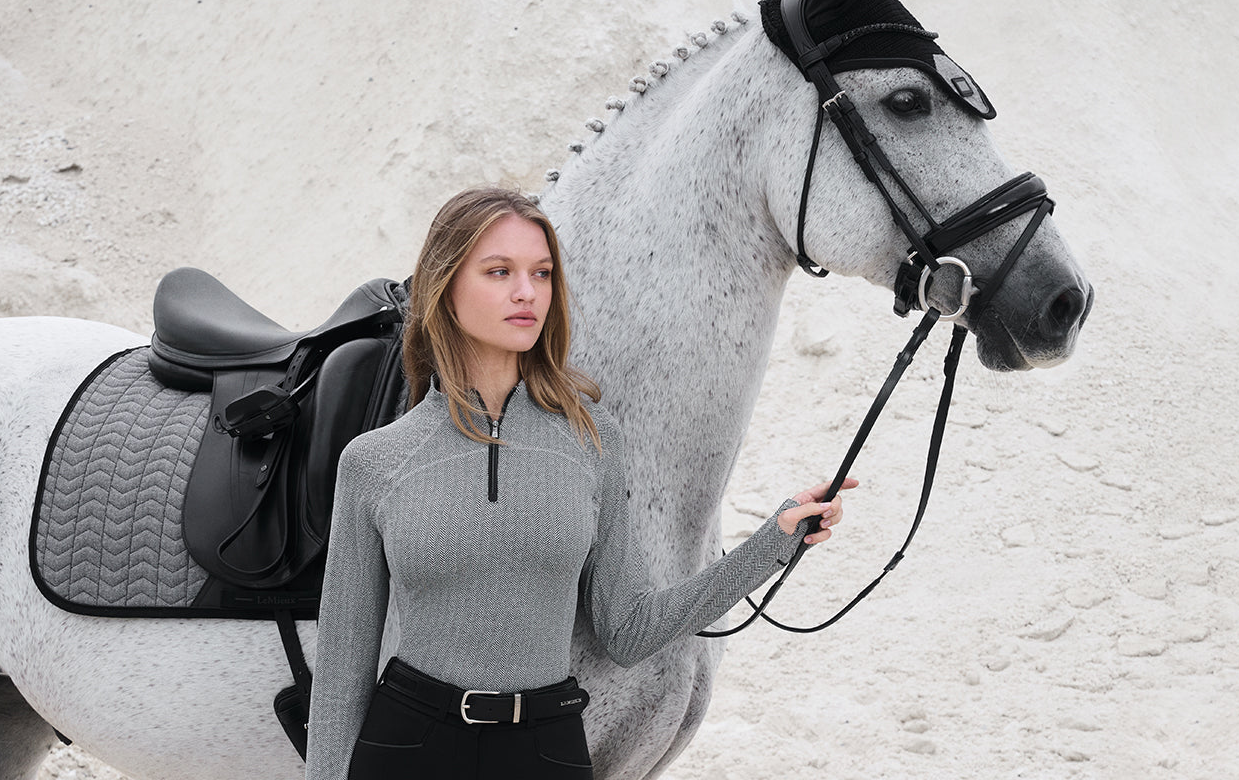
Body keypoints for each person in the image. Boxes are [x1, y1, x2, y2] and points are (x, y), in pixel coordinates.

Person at [304, 186, 851, 780]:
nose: (526, 292)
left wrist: (773, 542)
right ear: (445, 285)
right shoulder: (376, 461)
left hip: (547, 750)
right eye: (499, 271)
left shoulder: (591, 442)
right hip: (410, 747)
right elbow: (341, 672)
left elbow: (630, 628)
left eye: (541, 273)